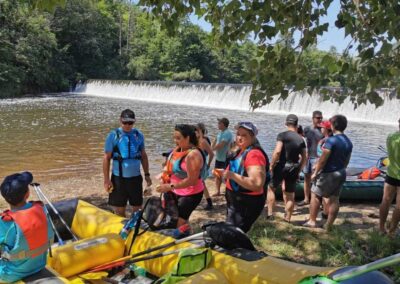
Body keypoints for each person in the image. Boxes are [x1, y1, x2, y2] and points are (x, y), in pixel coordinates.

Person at [0, 172, 54, 283]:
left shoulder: (6, 222)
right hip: (39, 264)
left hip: (11, 274)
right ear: (27, 194)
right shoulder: (41, 209)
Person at [304, 115, 353, 230]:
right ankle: (328, 225)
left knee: (315, 195)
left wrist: (315, 172)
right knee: (335, 198)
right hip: (340, 172)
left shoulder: (332, 140)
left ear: (333, 125)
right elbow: (347, 161)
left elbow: (323, 159)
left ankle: (312, 221)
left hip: (328, 173)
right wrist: (341, 169)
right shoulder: (348, 142)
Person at [157, 124, 206, 237]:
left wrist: (169, 187)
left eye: (178, 138)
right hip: (176, 191)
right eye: (174, 137)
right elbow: (174, 168)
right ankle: (188, 233)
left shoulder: (193, 155)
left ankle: (182, 242)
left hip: (190, 194)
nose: (175, 141)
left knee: (179, 223)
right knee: (177, 219)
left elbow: (192, 180)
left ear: (188, 138)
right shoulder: (179, 149)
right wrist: (164, 174)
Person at [103, 109, 152, 217]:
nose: (127, 125)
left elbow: (143, 156)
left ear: (134, 122)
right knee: (120, 210)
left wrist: (147, 175)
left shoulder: (138, 135)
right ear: (120, 120)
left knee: (137, 208)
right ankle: (122, 230)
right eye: (125, 122)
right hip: (119, 179)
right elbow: (106, 158)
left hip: (135, 178)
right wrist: (106, 180)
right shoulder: (113, 135)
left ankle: (134, 229)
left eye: (130, 123)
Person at [222, 122, 269, 232]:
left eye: (244, 135)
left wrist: (232, 175)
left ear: (253, 137)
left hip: (246, 203)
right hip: (236, 200)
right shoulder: (240, 150)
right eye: (238, 134)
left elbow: (257, 184)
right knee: (232, 232)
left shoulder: (254, 154)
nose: (239, 138)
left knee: (233, 234)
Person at [268, 114, 306, 222]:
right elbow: (304, 157)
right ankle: (288, 218)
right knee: (290, 194)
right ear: (297, 125)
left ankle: (270, 214)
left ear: (286, 123)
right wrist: (299, 169)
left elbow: (278, 151)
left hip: (281, 166)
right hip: (293, 167)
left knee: (271, 189)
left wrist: (271, 164)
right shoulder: (301, 139)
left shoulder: (282, 135)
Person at [379, 117, 400, 236]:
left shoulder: (391, 137)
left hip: (391, 173)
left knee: (385, 200)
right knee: (399, 205)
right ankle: (392, 231)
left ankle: (381, 228)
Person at [299, 111, 324, 206]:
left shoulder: (323, 131)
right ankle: (306, 199)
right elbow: (302, 138)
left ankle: (319, 202)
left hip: (317, 159)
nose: (320, 120)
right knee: (306, 179)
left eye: (321, 118)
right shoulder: (307, 129)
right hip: (308, 157)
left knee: (317, 180)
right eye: (318, 118)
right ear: (313, 118)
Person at [195, 123, 215, 210]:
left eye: (197, 130)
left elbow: (211, 154)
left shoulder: (203, 141)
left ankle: (209, 202)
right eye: (195, 130)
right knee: (199, 183)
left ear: (201, 131)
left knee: (201, 184)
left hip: (201, 166)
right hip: (195, 165)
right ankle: (207, 202)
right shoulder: (196, 140)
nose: (195, 132)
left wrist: (209, 164)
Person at [212, 117, 233, 196]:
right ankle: (218, 191)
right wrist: (211, 147)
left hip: (225, 158)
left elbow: (222, 144)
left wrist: (211, 150)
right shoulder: (220, 132)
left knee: (226, 175)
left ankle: (228, 191)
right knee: (217, 174)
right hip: (219, 158)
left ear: (223, 124)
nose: (218, 125)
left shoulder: (227, 133)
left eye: (219, 123)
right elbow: (215, 140)